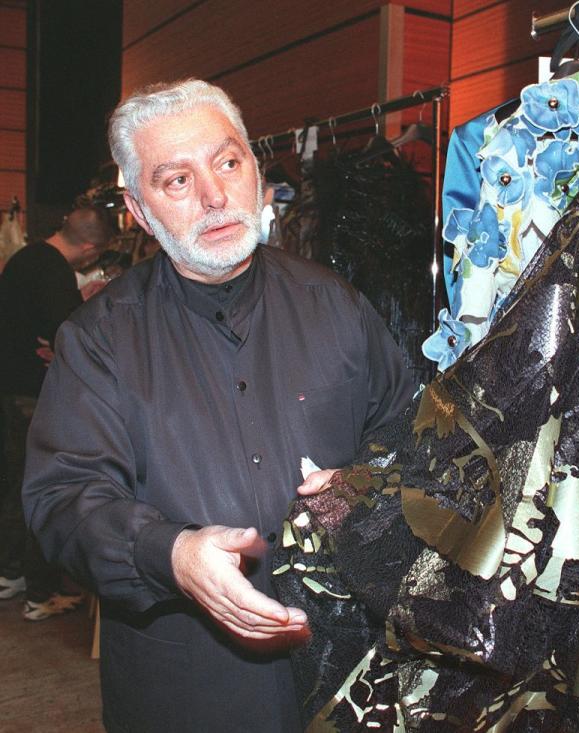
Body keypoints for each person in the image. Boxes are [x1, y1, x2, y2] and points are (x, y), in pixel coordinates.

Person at [21, 79, 415, 733]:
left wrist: (367, 486)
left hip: (347, 678)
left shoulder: (335, 304)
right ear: (139, 210)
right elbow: (62, 499)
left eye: (227, 162)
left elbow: (408, 431)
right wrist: (167, 553)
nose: (214, 196)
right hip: (190, 688)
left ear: (255, 169)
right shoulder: (99, 339)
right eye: (177, 180)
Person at [0, 204, 115, 620]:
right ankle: (40, 593)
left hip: (10, 386)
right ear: (90, 248)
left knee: (14, 484)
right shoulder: (52, 269)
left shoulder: (26, 258)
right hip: (30, 391)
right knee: (41, 486)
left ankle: (11, 574)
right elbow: (67, 332)